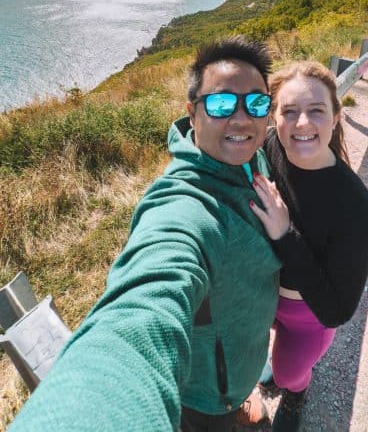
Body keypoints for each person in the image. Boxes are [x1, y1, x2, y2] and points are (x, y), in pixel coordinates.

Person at [10, 36, 284, 432]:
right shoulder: (183, 204)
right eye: (222, 104)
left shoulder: (250, 156)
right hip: (205, 395)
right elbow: (142, 310)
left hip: (239, 358)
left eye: (256, 104)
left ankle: (242, 393)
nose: (241, 119)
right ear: (192, 114)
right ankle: (230, 401)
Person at [247, 61, 368, 432]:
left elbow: (336, 310)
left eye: (316, 111)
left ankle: (295, 395)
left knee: (288, 374)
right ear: (275, 117)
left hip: (308, 318)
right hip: (264, 292)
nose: (302, 124)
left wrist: (286, 234)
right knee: (258, 357)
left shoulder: (356, 206)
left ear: (336, 117)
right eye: (289, 112)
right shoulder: (270, 145)